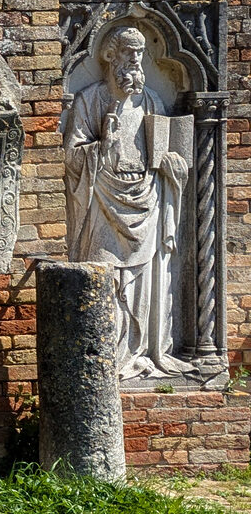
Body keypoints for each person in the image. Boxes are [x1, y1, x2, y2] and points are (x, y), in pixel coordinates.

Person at [64, 25, 191, 378]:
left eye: (139, 54)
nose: (135, 60)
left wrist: (172, 165)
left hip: (147, 200)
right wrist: (101, 144)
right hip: (103, 200)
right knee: (106, 278)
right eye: (128, 53)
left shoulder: (153, 100)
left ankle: (139, 352)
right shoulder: (90, 99)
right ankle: (102, 359)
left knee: (142, 283)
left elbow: (171, 154)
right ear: (111, 56)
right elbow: (72, 157)